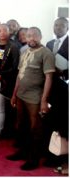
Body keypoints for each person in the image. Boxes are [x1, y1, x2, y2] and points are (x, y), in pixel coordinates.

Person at [6, 27, 55, 171]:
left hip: (35, 98)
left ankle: (33, 159)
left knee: (35, 129)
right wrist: (14, 94)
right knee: (22, 126)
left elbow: (49, 78)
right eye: (28, 36)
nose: (31, 38)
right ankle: (23, 152)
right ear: (25, 38)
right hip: (21, 95)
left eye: (34, 36)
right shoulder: (25, 51)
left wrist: (44, 100)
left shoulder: (46, 53)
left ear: (40, 37)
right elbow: (19, 75)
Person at [44, 17, 68, 171]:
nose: (58, 28)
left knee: (63, 125)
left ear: (67, 27)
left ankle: (63, 157)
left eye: (62, 25)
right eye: (56, 25)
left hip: (66, 89)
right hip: (51, 88)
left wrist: (64, 72)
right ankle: (52, 155)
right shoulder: (49, 44)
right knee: (50, 122)